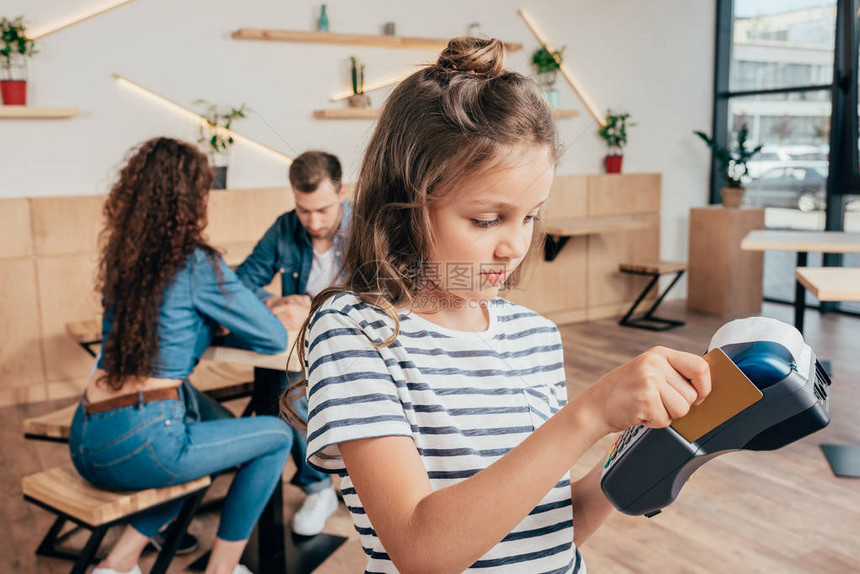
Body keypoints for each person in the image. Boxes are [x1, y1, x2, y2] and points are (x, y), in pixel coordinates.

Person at [286, 38, 712, 573]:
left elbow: (548, 531)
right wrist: (588, 414)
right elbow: (424, 549)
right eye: (488, 219)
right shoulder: (356, 331)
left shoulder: (534, 335)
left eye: (531, 216)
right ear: (409, 203)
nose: (515, 246)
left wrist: (647, 457)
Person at [69, 137, 296, 574]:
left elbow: (161, 332)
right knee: (276, 437)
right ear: (192, 201)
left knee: (223, 434)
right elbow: (269, 337)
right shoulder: (195, 264)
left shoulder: (125, 261)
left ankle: (118, 564)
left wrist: (211, 317)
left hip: (86, 438)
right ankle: (222, 570)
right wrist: (248, 312)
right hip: (143, 442)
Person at [235, 150, 350, 536]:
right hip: (298, 352)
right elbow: (240, 285)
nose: (313, 222)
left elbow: (386, 296)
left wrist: (316, 311)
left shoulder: (370, 229)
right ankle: (319, 488)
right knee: (283, 386)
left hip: (357, 347)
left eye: (323, 209)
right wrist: (276, 302)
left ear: (342, 192)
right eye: (304, 210)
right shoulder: (284, 228)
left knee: (287, 387)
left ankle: (352, 481)